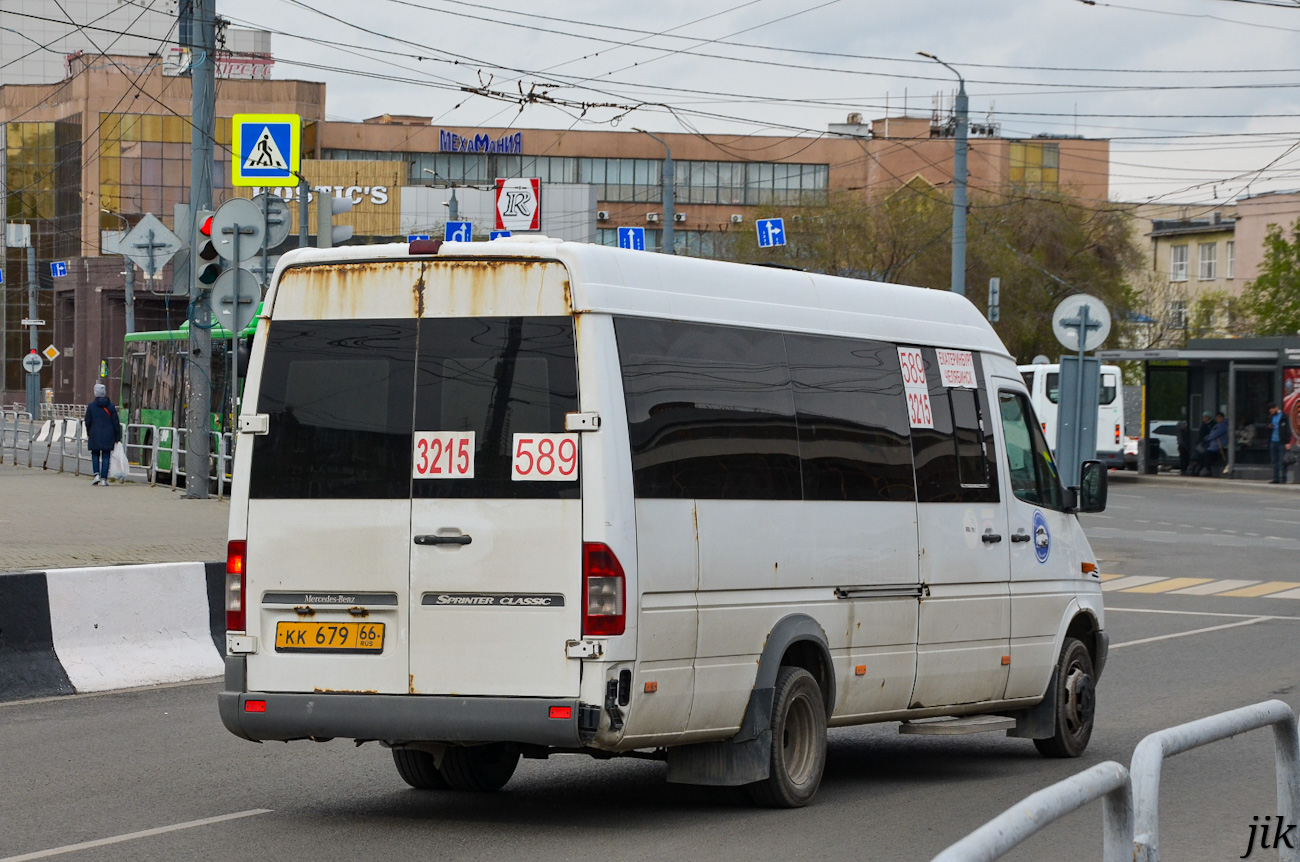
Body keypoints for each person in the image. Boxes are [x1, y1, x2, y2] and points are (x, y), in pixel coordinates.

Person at [83, 382, 122, 486]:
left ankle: (96, 475)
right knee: (106, 456)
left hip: (94, 434)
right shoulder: (111, 406)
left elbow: (87, 421)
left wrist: (89, 433)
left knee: (95, 454)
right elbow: (115, 422)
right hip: (108, 435)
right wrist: (117, 437)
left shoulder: (91, 406)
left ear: (95, 393)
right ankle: (104, 479)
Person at [1267, 401, 1293, 484]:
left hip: (1282, 441)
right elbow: (1268, 426)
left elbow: (1288, 430)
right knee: (1274, 460)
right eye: (1270, 411)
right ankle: (1276, 478)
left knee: (1282, 460)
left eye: (1272, 410)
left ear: (1276, 408)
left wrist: (1288, 442)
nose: (1271, 412)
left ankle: (1283, 478)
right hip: (1273, 440)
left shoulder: (1284, 417)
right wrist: (1269, 427)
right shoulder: (1271, 417)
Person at [1204, 411, 1229, 476]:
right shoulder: (1217, 425)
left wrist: (1208, 438)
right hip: (1213, 444)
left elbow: (1215, 434)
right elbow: (1211, 433)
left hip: (1219, 445)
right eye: (1217, 417)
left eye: (1219, 417)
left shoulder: (1223, 425)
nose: (1218, 419)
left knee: (1208, 455)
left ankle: (1209, 470)